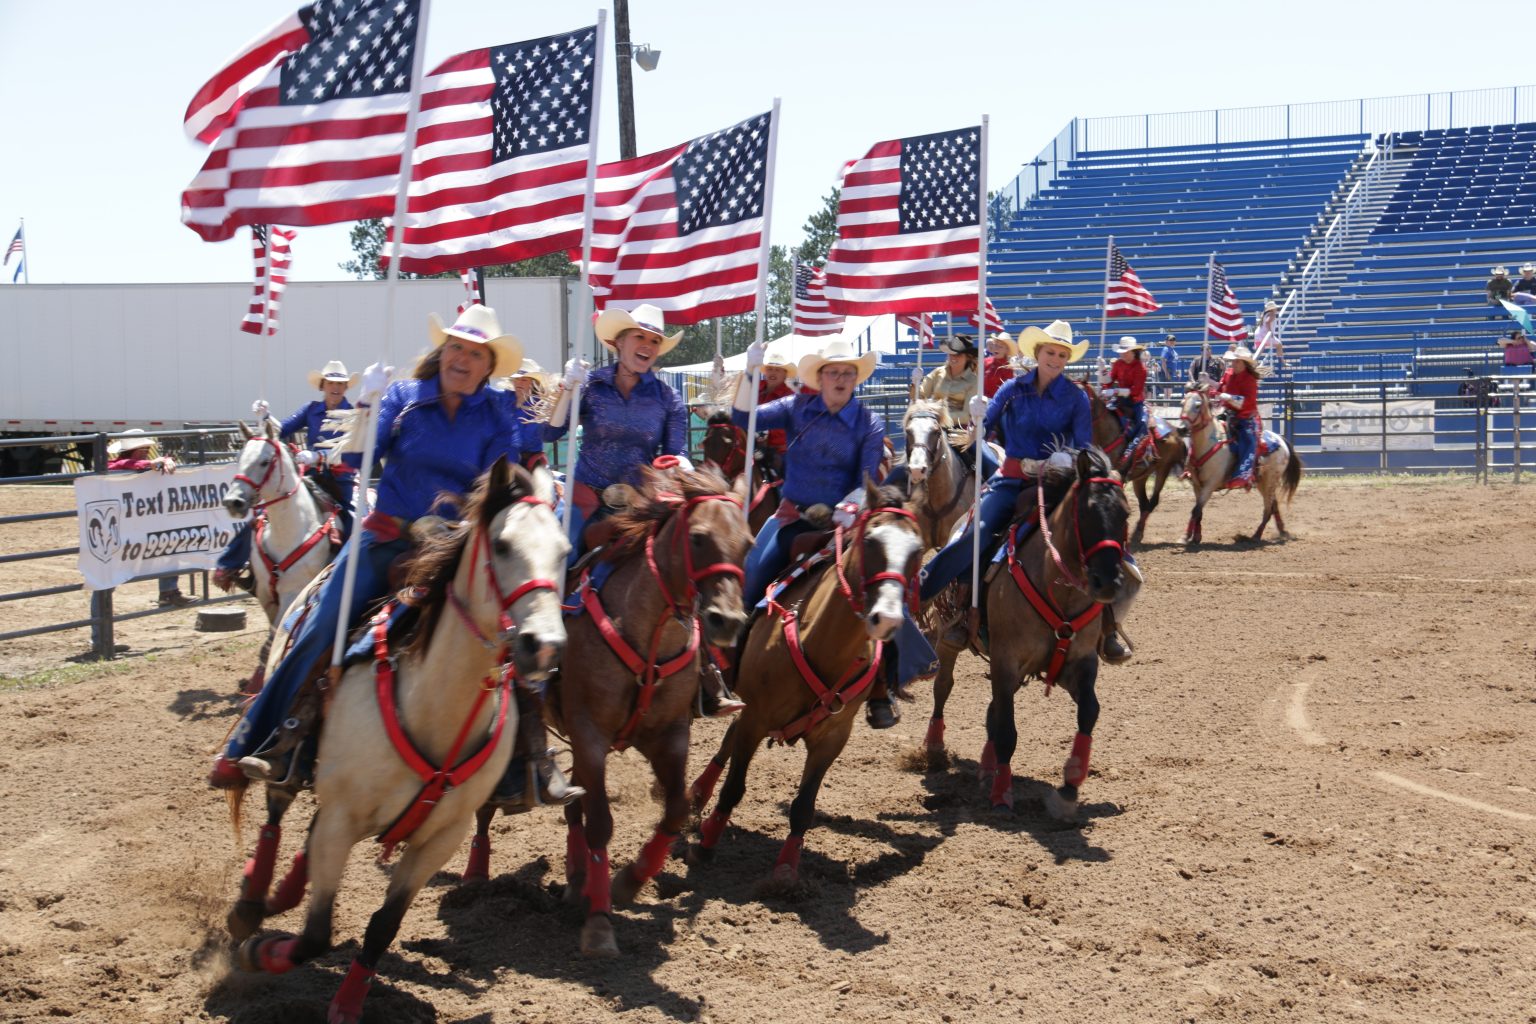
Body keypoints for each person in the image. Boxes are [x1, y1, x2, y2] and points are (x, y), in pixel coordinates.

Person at [210, 305, 578, 809]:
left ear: (488, 365)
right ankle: (262, 738)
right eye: (456, 348)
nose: (462, 359)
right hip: (386, 540)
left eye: (475, 353)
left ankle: (529, 761)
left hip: (454, 548)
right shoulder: (404, 397)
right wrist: (366, 409)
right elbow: (360, 462)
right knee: (322, 627)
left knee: (511, 632)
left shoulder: (496, 410)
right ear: (441, 352)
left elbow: (500, 478)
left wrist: (460, 525)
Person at [733, 336, 933, 727]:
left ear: (855, 380)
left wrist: (853, 503)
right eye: (833, 373)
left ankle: (884, 687)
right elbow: (743, 418)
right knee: (749, 580)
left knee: (883, 590)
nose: (841, 379)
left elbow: (867, 474)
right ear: (820, 378)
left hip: (845, 524)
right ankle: (725, 669)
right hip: (794, 518)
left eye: (847, 373)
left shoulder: (868, 422)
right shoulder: (794, 408)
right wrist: (748, 374)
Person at [542, 303, 691, 562]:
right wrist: (567, 388)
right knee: (555, 561)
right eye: (640, 337)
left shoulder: (669, 398)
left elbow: (675, 452)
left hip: (637, 506)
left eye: (655, 341)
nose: (648, 345)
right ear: (619, 342)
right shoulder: (590, 385)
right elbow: (549, 433)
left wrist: (681, 463)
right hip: (583, 499)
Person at [213, 361, 357, 593]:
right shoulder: (311, 409)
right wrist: (266, 416)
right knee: (261, 514)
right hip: (310, 476)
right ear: (323, 385)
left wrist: (318, 456)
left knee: (349, 518)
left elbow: (351, 447)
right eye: (331, 383)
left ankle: (347, 573)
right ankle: (231, 565)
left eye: (340, 384)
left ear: (346, 388)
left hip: (340, 479)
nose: (336, 388)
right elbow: (282, 430)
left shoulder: (353, 414)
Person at [107, 431, 191, 607]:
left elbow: (156, 463)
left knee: (170, 542)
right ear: (130, 451)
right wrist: (151, 463)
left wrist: (166, 460)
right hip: (122, 524)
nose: (146, 451)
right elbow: (120, 465)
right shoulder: (116, 466)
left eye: (146, 448)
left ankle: (168, 591)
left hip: (142, 520)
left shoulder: (147, 465)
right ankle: (100, 619)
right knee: (110, 573)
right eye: (141, 448)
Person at [1209, 345, 1267, 490]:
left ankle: (1244, 474)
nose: (1233, 364)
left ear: (1243, 363)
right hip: (1228, 413)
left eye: (1236, 362)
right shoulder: (1229, 374)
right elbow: (1220, 387)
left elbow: (1247, 402)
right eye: (1232, 362)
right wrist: (1208, 382)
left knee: (1248, 441)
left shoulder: (1250, 379)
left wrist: (1227, 397)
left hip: (1245, 417)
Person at [495, 359, 553, 470]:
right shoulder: (506, 398)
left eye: (524, 380)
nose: (519, 383)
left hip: (530, 464)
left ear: (533, 384)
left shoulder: (540, 405)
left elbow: (526, 440)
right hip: (504, 460)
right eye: (517, 379)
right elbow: (484, 392)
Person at [913, 335, 981, 426]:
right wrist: (914, 383)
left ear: (968, 357)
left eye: (958, 354)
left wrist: (939, 416)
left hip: (958, 427)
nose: (953, 357)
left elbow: (966, 416)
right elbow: (919, 396)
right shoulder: (937, 372)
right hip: (932, 422)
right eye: (951, 353)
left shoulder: (974, 381)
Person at [1101, 336, 1149, 459]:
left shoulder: (1141, 368)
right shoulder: (1118, 364)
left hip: (1135, 402)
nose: (1122, 355)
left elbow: (1136, 391)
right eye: (1121, 352)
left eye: (1125, 352)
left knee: (1141, 424)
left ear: (1133, 352)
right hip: (1120, 401)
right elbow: (1109, 381)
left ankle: (1134, 450)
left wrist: (1115, 391)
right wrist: (1103, 372)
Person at [983, 332, 1018, 397]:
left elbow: (1008, 391)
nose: (996, 348)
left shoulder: (1009, 368)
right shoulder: (985, 362)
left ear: (1006, 350)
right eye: (995, 345)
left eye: (1000, 347)